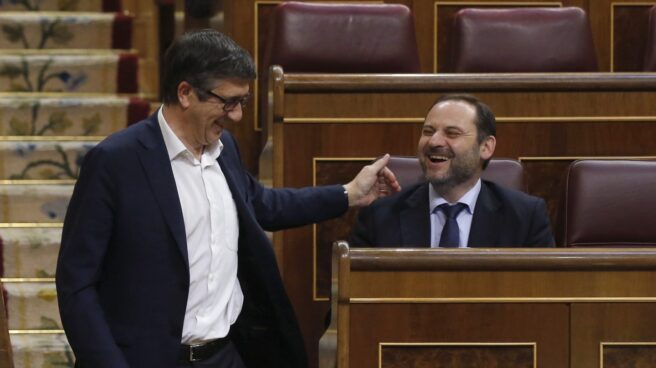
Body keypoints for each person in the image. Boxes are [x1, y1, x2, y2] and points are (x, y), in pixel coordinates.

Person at [55, 29, 399, 368]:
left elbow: (262, 204)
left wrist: (349, 193)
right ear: (186, 92)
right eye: (229, 102)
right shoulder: (116, 161)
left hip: (225, 355)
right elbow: (76, 284)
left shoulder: (224, 150)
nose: (237, 115)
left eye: (242, 102)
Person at [350, 93, 554, 248]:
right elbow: (352, 300)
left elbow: (543, 299)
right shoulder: (380, 216)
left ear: (486, 147)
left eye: (452, 133)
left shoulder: (525, 217)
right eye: (428, 131)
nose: (434, 141)